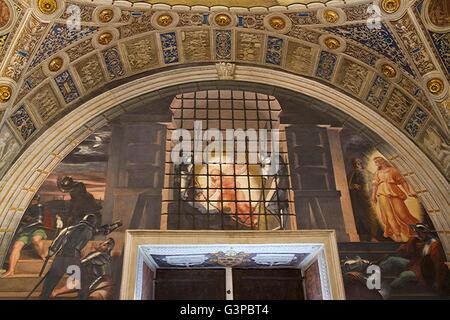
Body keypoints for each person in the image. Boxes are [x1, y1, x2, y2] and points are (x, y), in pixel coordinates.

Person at [39, 214, 121, 299]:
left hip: (59, 258)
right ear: (93, 223)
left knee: (50, 282)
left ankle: (43, 297)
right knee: (82, 281)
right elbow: (105, 230)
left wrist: (50, 254)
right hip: (72, 259)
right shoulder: (90, 230)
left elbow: (55, 245)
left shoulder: (67, 229)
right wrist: (116, 225)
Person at [380, 224, 449, 296]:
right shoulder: (417, 240)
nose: (418, 234)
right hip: (414, 265)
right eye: (417, 232)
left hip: (424, 273)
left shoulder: (434, 245)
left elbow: (438, 265)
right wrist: (409, 243)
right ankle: (378, 270)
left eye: (420, 232)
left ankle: (389, 288)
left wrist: (437, 281)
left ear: (426, 233)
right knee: (392, 260)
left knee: (404, 275)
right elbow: (407, 250)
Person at [371, 157, 419, 242]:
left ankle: (415, 232)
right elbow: (375, 185)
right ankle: (398, 236)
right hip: (382, 193)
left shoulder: (393, 170)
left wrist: (408, 192)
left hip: (394, 192)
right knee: (389, 216)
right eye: (375, 162)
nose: (376, 164)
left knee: (402, 214)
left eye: (377, 161)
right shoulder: (377, 173)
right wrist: (373, 195)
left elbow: (402, 181)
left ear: (383, 161)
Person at [51, 238, 116, 300]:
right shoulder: (103, 257)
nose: (100, 245)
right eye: (101, 244)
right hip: (97, 283)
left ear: (108, 248)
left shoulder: (100, 255)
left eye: (104, 245)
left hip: (99, 284)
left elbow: (83, 262)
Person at [2, 194, 47, 277]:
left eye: (34, 200)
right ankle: (11, 270)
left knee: (35, 239)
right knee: (16, 246)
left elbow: (38, 221)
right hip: (26, 231)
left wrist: (24, 224)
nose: (33, 201)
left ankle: (43, 255)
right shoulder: (23, 209)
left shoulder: (38, 206)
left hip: (37, 229)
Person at [348, 158, 379, 241]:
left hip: (369, 197)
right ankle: (367, 236)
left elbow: (374, 183)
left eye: (359, 163)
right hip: (359, 198)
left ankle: (374, 235)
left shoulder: (368, 173)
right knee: (361, 216)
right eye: (355, 163)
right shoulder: (353, 173)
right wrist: (353, 186)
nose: (357, 165)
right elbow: (349, 185)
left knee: (372, 215)